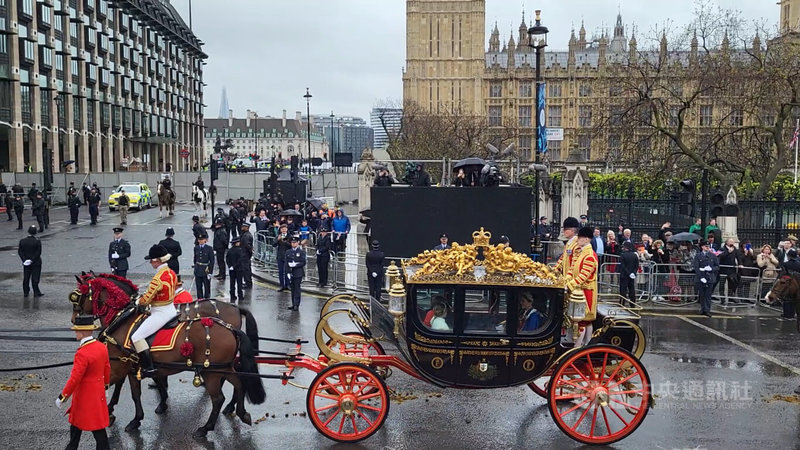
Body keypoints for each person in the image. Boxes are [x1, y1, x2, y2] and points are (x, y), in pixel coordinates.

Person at [56, 314, 110, 450]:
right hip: (97, 392)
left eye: (77, 330)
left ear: (83, 331)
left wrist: (63, 396)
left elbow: (75, 378)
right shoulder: (101, 346)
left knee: (94, 428)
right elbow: (107, 368)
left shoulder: (83, 353)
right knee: (78, 424)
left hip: (85, 396)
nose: (75, 333)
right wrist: (106, 387)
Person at [131, 245, 178, 378]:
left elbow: (145, 300)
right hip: (170, 308)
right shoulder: (171, 272)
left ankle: (148, 367)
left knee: (136, 337)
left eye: (151, 260)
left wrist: (137, 301)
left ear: (157, 260)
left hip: (160, 312)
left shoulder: (158, 278)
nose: (151, 263)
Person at [564, 226, 599, 346]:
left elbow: (583, 276)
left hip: (586, 291)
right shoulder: (579, 252)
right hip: (578, 290)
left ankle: (578, 346)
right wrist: (566, 279)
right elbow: (572, 269)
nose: (577, 240)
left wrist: (570, 285)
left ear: (586, 239)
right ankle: (586, 343)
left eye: (580, 238)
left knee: (582, 320)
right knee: (584, 321)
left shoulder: (589, 255)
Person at [694, 240, 719, 317]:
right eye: (706, 246)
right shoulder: (698, 256)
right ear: (702, 247)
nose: (707, 248)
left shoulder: (713, 256)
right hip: (701, 277)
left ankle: (707, 310)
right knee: (702, 295)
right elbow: (696, 267)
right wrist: (701, 277)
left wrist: (711, 268)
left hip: (710, 278)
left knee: (708, 295)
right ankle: (702, 309)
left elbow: (717, 266)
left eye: (708, 246)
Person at [18, 225, 43, 297]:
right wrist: (32, 260)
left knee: (26, 277)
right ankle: (36, 292)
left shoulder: (22, 241)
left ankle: (26, 292)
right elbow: (38, 253)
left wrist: (24, 260)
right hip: (36, 262)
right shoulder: (37, 241)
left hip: (26, 263)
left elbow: (20, 252)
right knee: (35, 278)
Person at [285, 236, 307, 311]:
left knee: (297, 289)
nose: (293, 244)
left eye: (294, 243)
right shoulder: (288, 252)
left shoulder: (301, 252)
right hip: (291, 273)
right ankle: (293, 303)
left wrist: (296, 265)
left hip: (298, 273)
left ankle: (296, 305)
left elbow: (303, 262)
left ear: (298, 243)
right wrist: (287, 272)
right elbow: (286, 263)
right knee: (292, 289)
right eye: (292, 243)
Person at [718, 238, 742, 305]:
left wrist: (740, 264)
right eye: (731, 241)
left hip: (731, 270)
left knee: (732, 285)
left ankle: (731, 298)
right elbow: (720, 256)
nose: (732, 243)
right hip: (723, 269)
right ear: (727, 242)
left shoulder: (735, 249)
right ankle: (722, 299)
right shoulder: (722, 249)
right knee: (722, 285)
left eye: (733, 241)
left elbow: (738, 257)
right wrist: (728, 252)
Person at [193, 232, 214, 299]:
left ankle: (207, 300)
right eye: (199, 239)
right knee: (198, 287)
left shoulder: (209, 248)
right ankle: (200, 300)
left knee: (207, 287)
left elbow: (212, 261)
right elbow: (195, 259)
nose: (200, 241)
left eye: (202, 239)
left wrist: (210, 272)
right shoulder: (196, 248)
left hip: (206, 269)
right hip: (198, 269)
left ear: (205, 240)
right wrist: (195, 268)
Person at [226, 236, 246, 302]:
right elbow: (240, 260)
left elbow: (227, 259)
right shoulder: (240, 250)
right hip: (239, 269)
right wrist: (234, 266)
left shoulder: (230, 250)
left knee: (232, 283)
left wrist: (230, 266)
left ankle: (232, 295)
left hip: (231, 270)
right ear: (236, 243)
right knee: (239, 283)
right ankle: (240, 295)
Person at [619, 241, 639, 306]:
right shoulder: (635, 255)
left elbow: (623, 266)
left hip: (624, 275)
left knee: (623, 290)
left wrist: (628, 273)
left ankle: (622, 304)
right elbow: (636, 265)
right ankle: (633, 304)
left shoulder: (623, 255)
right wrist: (633, 273)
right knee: (632, 290)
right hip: (632, 276)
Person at [273, 224, 292, 291]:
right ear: (280, 230)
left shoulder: (290, 236)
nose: (284, 230)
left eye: (285, 228)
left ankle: (288, 285)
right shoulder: (278, 236)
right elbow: (274, 245)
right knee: (281, 271)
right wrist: (278, 240)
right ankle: (281, 285)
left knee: (287, 271)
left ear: (287, 229)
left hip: (287, 256)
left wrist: (285, 242)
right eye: (282, 229)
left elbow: (291, 246)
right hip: (280, 256)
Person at [239, 223, 254, 289]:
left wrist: (249, 253)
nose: (242, 227)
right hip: (245, 254)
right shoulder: (246, 234)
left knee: (246, 269)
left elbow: (247, 246)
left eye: (243, 227)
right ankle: (248, 282)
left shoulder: (246, 236)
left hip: (245, 254)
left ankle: (248, 283)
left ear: (246, 227)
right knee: (246, 269)